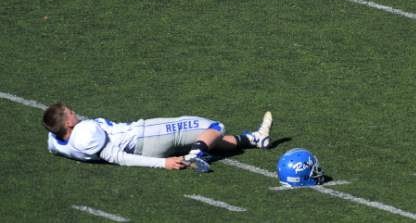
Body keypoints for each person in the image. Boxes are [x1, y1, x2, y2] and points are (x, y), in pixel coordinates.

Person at [43, 102, 272, 171]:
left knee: (205, 135)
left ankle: (253, 139)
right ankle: (195, 155)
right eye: (70, 112)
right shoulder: (85, 133)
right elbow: (119, 158)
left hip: (145, 145)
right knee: (215, 126)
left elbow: (53, 144)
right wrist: (164, 163)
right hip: (148, 136)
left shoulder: (56, 143)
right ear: (68, 123)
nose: (74, 112)